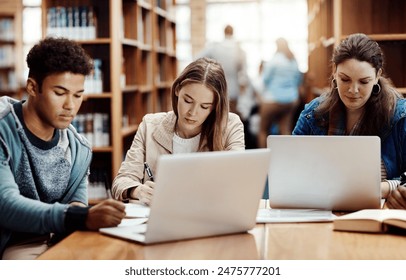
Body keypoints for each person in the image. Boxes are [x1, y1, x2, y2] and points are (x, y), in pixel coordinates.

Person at [0, 37, 126, 260]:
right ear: (32, 87)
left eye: (78, 95)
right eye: (60, 93)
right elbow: (6, 205)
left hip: (58, 240)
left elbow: (76, 203)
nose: (70, 106)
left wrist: (84, 214)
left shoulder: (79, 148)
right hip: (11, 244)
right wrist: (77, 216)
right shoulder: (3, 129)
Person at [293, 33, 406, 209]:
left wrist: (384, 189)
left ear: (377, 76)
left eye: (364, 81)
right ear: (334, 72)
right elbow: (291, 170)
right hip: (322, 208)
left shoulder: (400, 116)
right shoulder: (313, 114)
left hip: (382, 212)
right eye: (345, 79)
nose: (353, 90)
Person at [112, 57, 245, 205]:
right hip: (160, 220)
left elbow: (238, 178)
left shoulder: (230, 126)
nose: (193, 113)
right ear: (177, 90)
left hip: (208, 217)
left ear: (215, 106)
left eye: (204, 106)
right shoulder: (150, 125)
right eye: (187, 101)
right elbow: (121, 182)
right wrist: (137, 190)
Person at [258, 37, 303, 148]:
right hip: (290, 100)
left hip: (272, 100)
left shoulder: (274, 60)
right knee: (285, 131)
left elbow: (264, 80)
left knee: (263, 131)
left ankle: (262, 161)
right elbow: (298, 80)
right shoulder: (293, 60)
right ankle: (286, 160)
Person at [196, 24, 248, 115]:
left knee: (216, 115)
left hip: (215, 86)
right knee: (231, 118)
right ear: (233, 33)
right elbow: (244, 73)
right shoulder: (239, 49)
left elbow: (197, 58)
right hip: (233, 90)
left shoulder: (214, 47)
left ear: (224, 32)